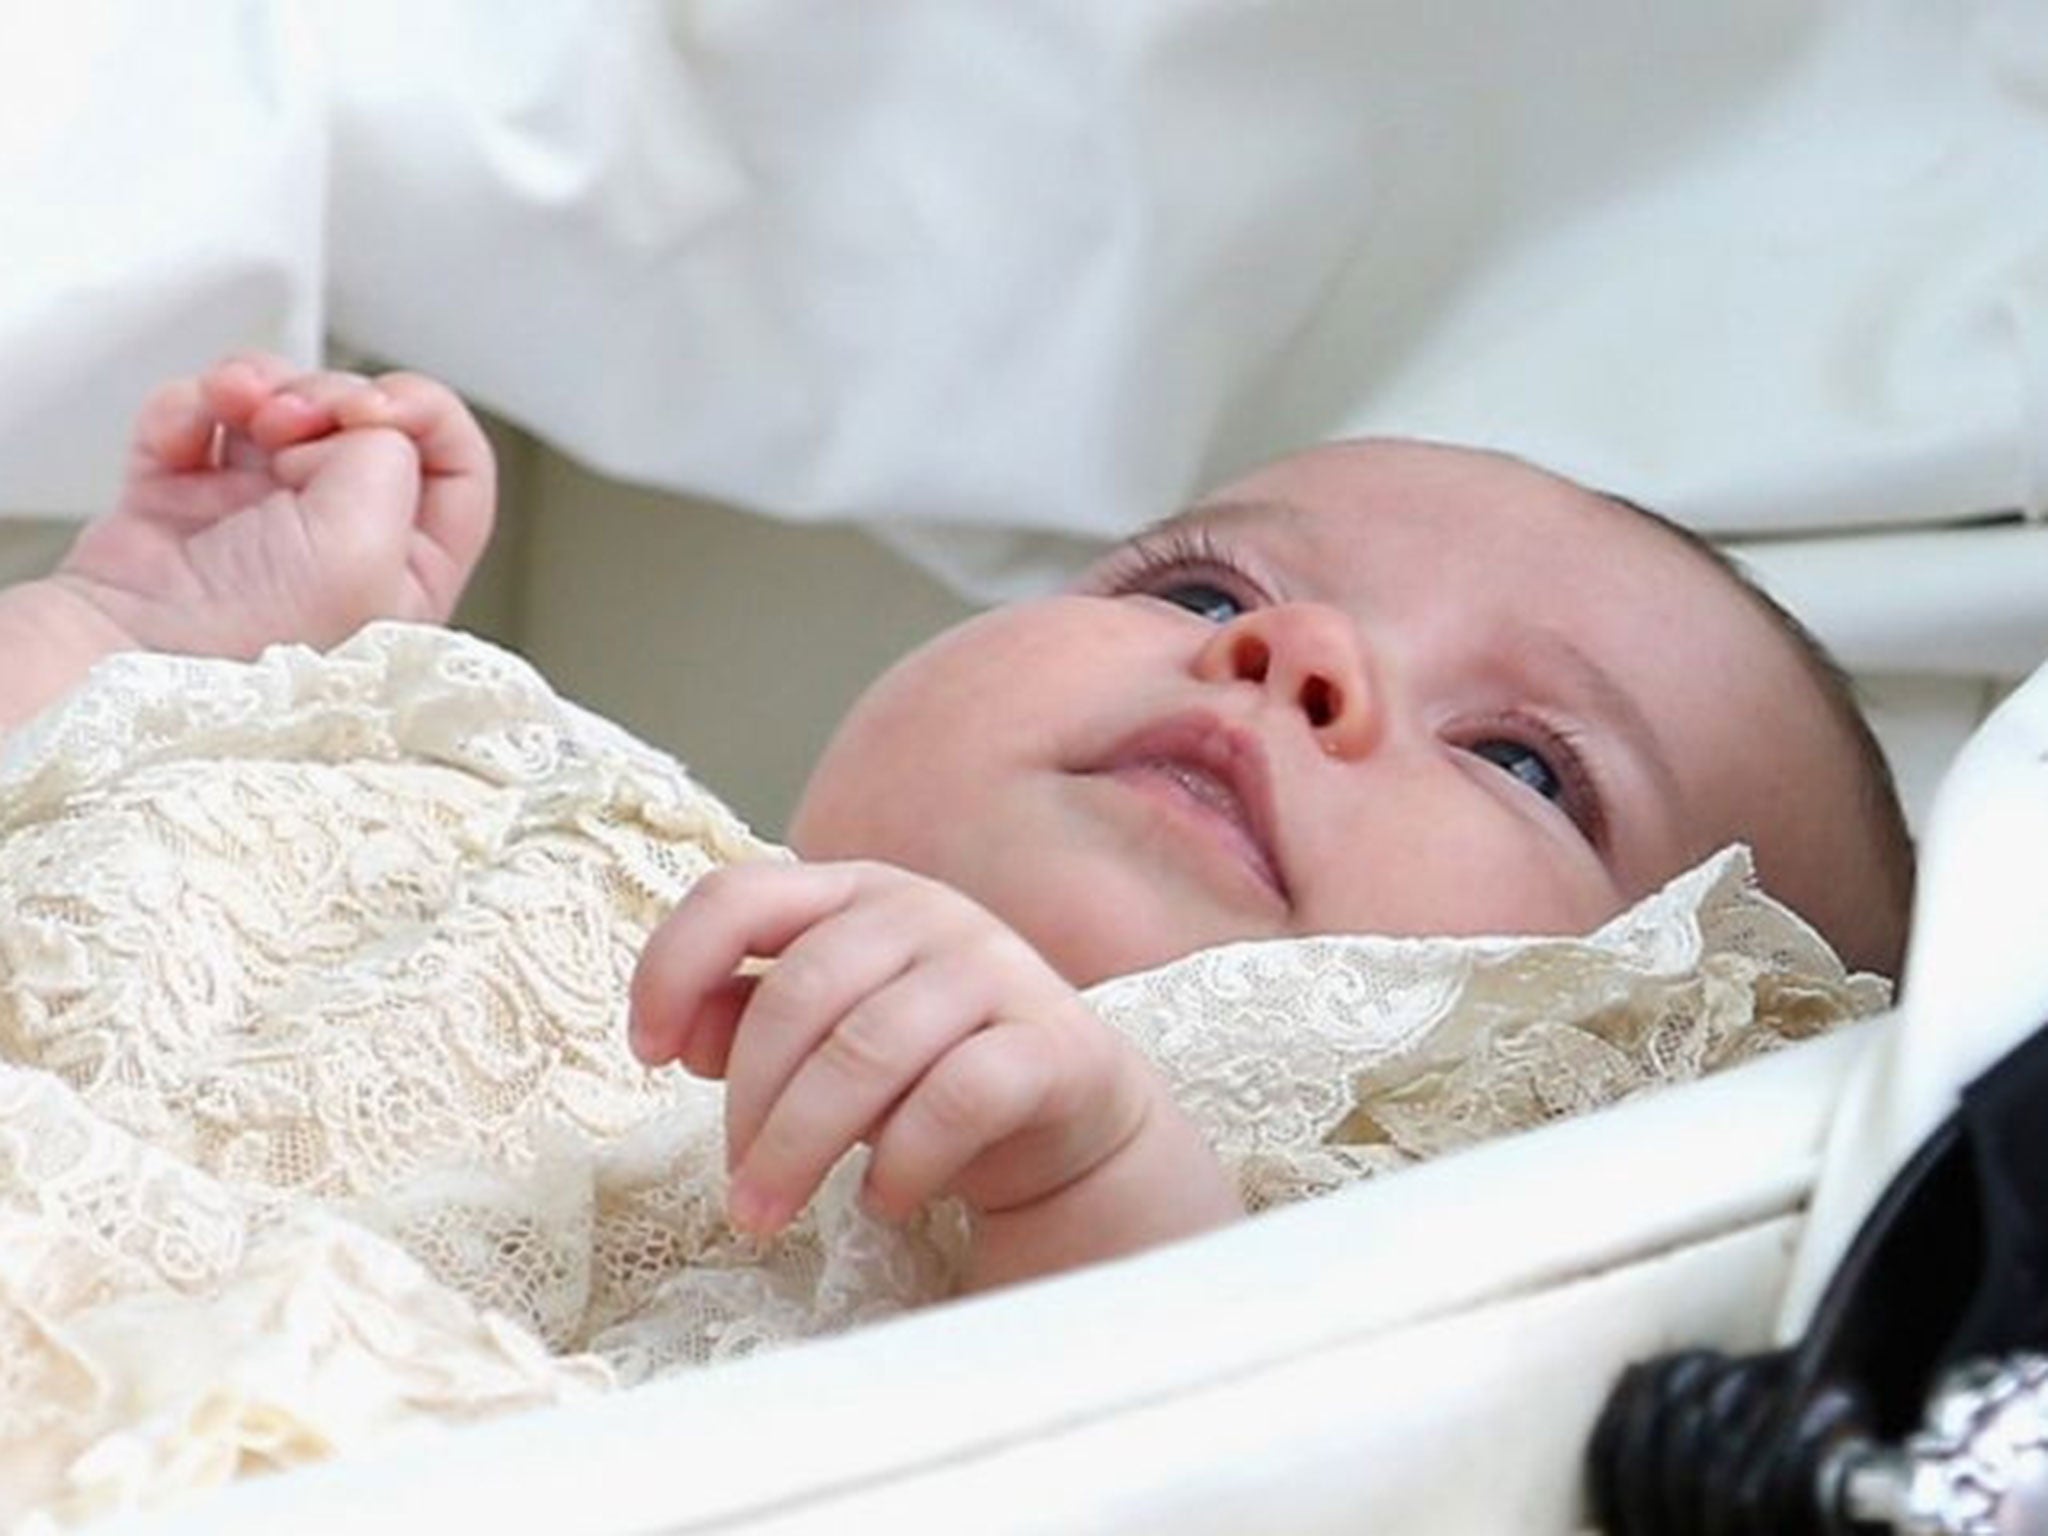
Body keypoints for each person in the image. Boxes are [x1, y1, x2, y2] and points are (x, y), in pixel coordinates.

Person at [0, 353, 1913, 1298]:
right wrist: (138, 646)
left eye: (1524, 764)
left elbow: (1214, 1460)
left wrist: (1090, 1179)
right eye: (1193, 593)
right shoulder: (502, 826)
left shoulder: (1279, 1248)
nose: (1293, 654)